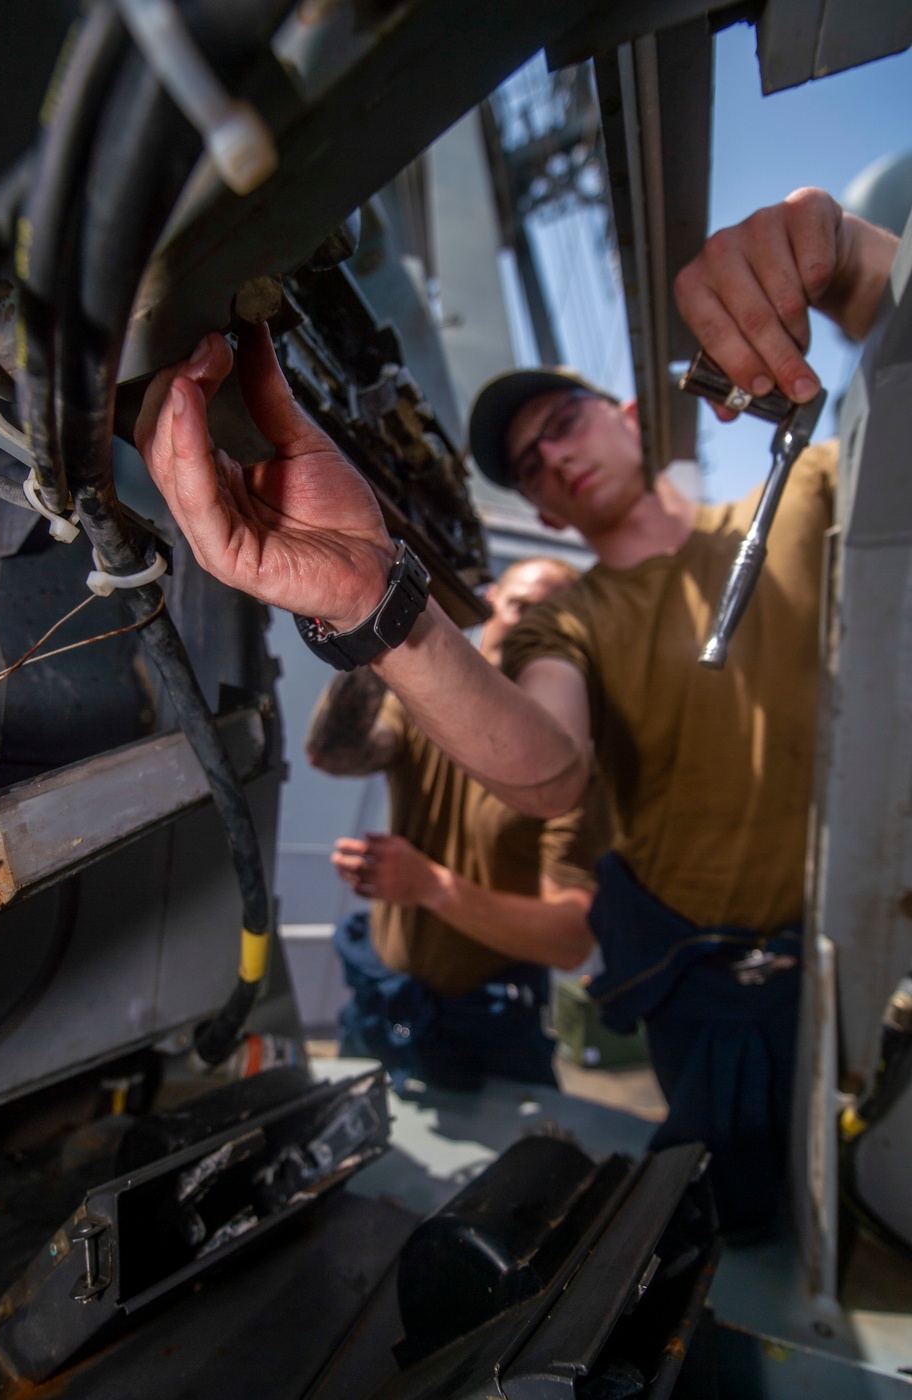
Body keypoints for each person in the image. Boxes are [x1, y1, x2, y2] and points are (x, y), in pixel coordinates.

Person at [135, 187, 899, 1229]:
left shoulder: (808, 494)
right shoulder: (567, 617)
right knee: (750, 1223)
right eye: (533, 464)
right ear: (541, 514)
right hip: (704, 990)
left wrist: (858, 266)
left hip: (861, 941)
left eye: (564, 422)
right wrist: (373, 603)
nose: (555, 456)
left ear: (627, 416)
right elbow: (544, 765)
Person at [305, 556, 611, 1091]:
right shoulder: (421, 710)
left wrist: (432, 887)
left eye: (555, 615)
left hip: (490, 1027)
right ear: (488, 602)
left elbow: (570, 941)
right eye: (521, 606)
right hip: (382, 998)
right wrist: (377, 622)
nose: (535, 624)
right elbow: (333, 754)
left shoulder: (571, 766)